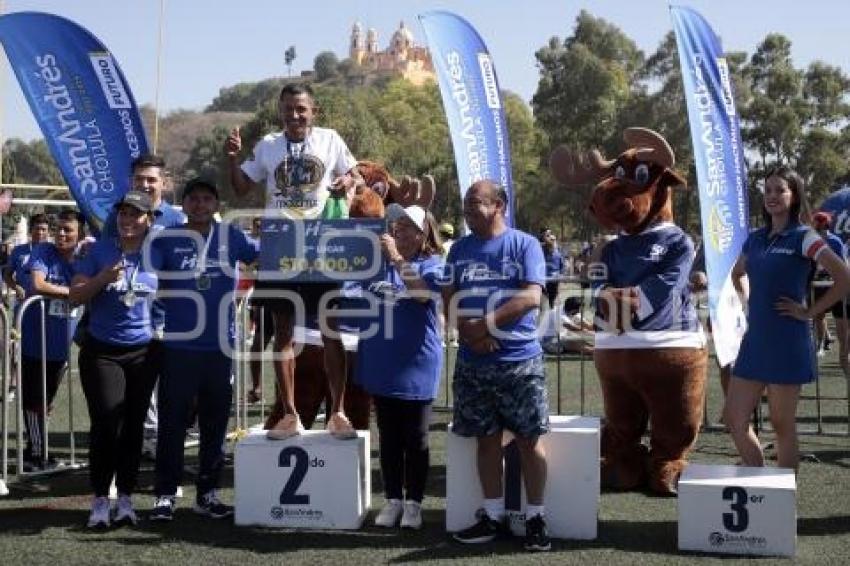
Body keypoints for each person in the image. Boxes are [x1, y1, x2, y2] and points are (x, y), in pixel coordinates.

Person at [224, 83, 362, 439]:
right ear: (280, 111)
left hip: (321, 246)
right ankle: (289, 414)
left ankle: (338, 413)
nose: (295, 115)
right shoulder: (269, 145)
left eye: (301, 109)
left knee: (331, 332)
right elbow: (241, 187)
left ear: (313, 111)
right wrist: (231, 158)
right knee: (282, 334)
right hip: (281, 247)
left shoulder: (330, 140)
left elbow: (356, 174)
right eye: (288, 109)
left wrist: (347, 179)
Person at [442, 180, 551, 552]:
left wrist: (485, 325)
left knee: (528, 442)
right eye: (466, 205)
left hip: (519, 362)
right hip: (473, 362)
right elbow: (449, 295)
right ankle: (493, 516)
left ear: (499, 205)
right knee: (486, 444)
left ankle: (536, 518)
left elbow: (532, 296)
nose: (468, 211)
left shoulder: (524, 244)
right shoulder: (458, 248)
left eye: (476, 204)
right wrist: (468, 333)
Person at [149, 178, 259, 522]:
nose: (199, 204)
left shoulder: (233, 236)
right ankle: (165, 496)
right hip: (178, 347)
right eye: (193, 199)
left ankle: (208, 495)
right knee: (172, 424)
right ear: (183, 205)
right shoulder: (167, 239)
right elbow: (146, 276)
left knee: (214, 425)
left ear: (216, 204)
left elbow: (267, 254)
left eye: (206, 199)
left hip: (220, 349)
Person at [726, 167, 850, 471]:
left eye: (779, 190)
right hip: (755, 342)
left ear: (793, 195)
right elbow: (737, 273)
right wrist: (747, 302)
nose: (772, 196)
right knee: (734, 418)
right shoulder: (755, 239)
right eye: (767, 190)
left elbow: (844, 277)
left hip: (787, 341)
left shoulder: (804, 237)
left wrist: (810, 312)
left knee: (782, 425)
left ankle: (783, 500)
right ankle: (759, 485)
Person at [70, 191, 162, 528]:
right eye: (123, 214)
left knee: (133, 427)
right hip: (102, 350)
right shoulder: (99, 251)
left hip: (144, 352)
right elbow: (75, 295)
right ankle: (99, 500)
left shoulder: (157, 254)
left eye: (135, 214)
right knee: (107, 425)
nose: (127, 220)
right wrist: (102, 279)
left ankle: (125, 498)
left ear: (148, 220)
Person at [349, 206, 443, 530]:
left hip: (417, 363)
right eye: (396, 226)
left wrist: (396, 258)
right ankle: (393, 500)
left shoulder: (432, 264)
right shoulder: (377, 265)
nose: (398, 232)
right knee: (388, 437)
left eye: (406, 227)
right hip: (382, 361)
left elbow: (420, 295)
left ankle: (414, 503)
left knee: (415, 438)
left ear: (422, 234)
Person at [100, 154, 186, 459]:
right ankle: (143, 448)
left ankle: (165, 447)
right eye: (140, 179)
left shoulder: (177, 218)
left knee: (171, 392)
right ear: (131, 181)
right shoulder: (118, 216)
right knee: (137, 397)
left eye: (151, 179)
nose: (146, 184)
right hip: (133, 319)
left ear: (164, 182)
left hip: (170, 320)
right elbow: (109, 256)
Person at [19, 210, 85, 470]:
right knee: (33, 398)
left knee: (46, 400)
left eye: (68, 230)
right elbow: (38, 284)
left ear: (80, 234)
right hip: (35, 338)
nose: (61, 234)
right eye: (58, 229)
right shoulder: (43, 252)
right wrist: (72, 293)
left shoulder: (85, 256)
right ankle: (36, 453)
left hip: (61, 344)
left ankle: (38, 450)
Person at [810, 211, 849, 374]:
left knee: (842, 324)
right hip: (818, 285)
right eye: (820, 224)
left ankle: (844, 353)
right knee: (818, 316)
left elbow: (842, 265)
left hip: (835, 285)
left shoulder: (835, 241)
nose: (822, 227)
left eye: (824, 224)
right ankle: (822, 344)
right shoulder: (811, 241)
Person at [4, 213, 51, 303]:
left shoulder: (54, 251)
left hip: (47, 304)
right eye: (37, 228)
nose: (40, 232)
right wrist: (16, 287)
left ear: (48, 231)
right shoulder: (18, 251)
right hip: (24, 304)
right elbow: (7, 275)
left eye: (43, 229)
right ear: (30, 230)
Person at [540, 228, 564, 309]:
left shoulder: (558, 253)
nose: (551, 239)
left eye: (553, 239)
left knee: (552, 305)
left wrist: (559, 286)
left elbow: (561, 268)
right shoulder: (540, 249)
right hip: (542, 282)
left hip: (554, 282)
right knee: (542, 305)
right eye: (547, 235)